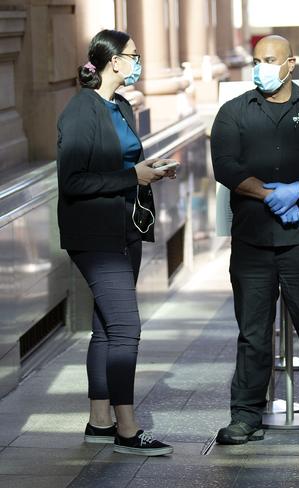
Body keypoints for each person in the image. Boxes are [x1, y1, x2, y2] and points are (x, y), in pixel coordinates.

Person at [210, 35, 299, 446]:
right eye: (255, 61)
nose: (260, 68)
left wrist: (298, 189)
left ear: (290, 63)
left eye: (268, 60)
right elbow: (226, 167)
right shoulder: (233, 113)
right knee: (253, 332)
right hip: (252, 242)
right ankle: (246, 415)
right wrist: (270, 195)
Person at [57, 29, 176, 456]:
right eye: (133, 55)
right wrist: (131, 177)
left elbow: (124, 161)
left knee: (107, 328)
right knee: (127, 327)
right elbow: (72, 181)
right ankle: (128, 429)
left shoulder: (121, 105)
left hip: (127, 229)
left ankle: (99, 421)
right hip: (94, 235)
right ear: (114, 62)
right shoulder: (80, 111)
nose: (137, 62)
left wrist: (149, 169)